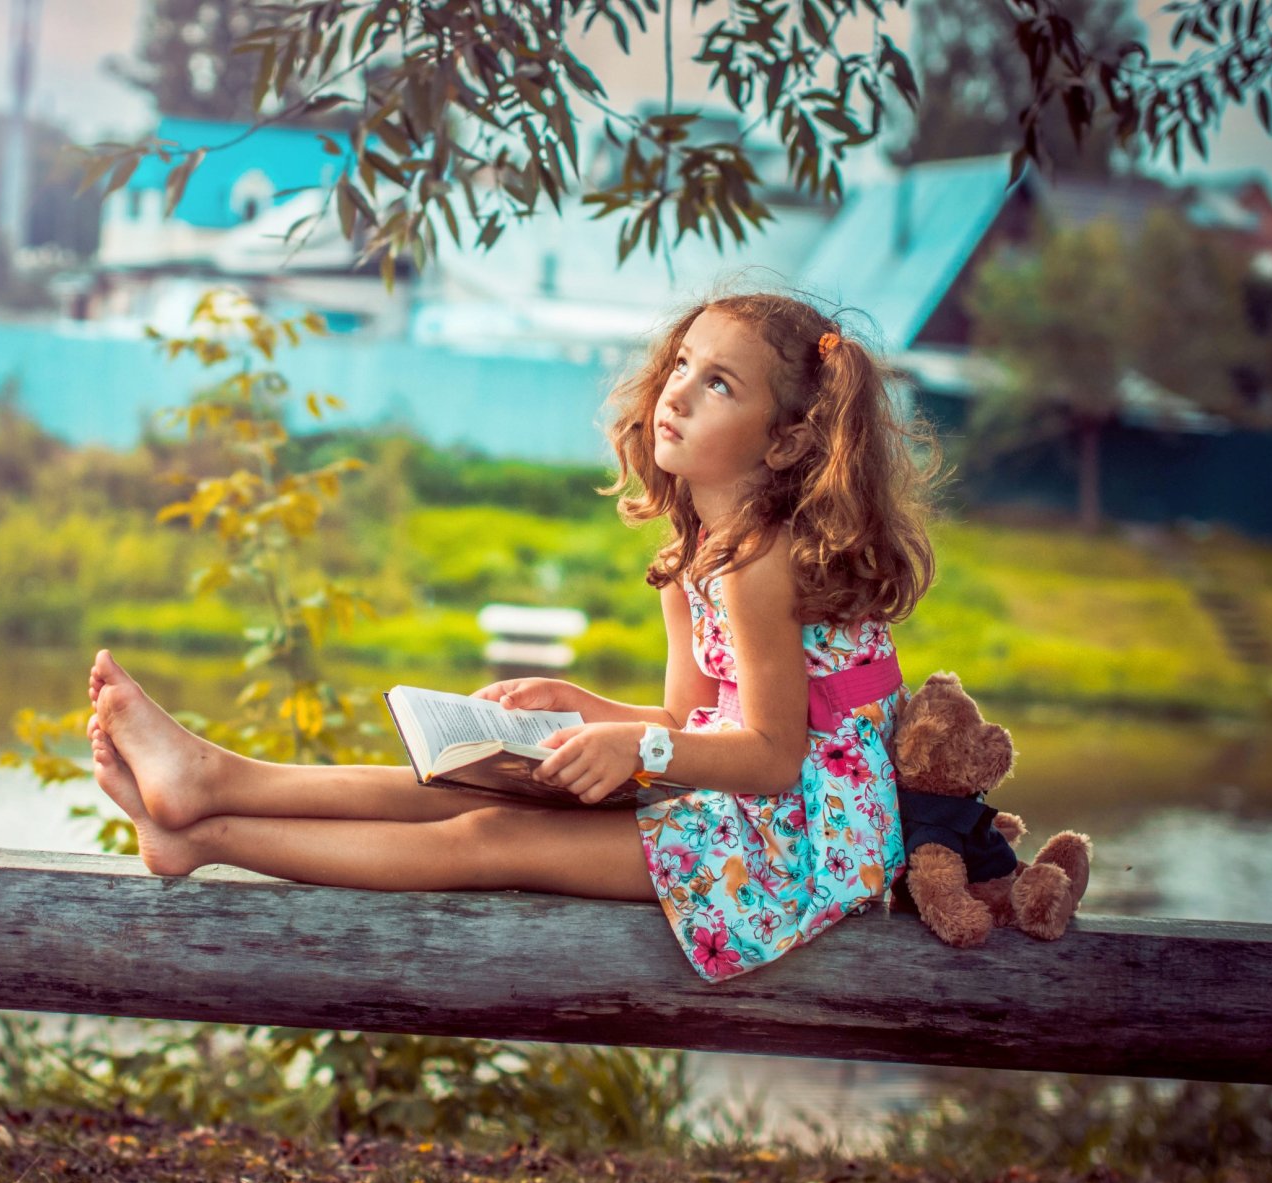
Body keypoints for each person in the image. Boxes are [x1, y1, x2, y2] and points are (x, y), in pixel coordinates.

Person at [86, 289, 941, 983]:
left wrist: (633, 746)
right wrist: (585, 708)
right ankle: (212, 779)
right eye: (682, 364)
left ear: (788, 439)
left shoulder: (762, 565)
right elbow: (691, 720)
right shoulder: (692, 557)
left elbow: (770, 755)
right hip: (749, 800)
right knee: (466, 786)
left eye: (720, 384)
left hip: (802, 841)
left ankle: (203, 837)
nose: (677, 392)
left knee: (494, 838)